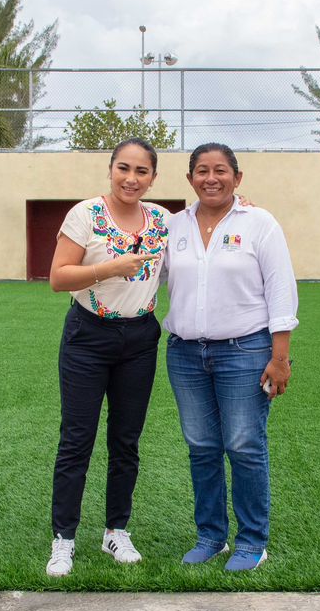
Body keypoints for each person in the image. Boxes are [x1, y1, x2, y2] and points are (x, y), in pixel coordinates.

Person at [162, 143, 298, 572]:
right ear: (190, 179)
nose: (211, 178)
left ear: (237, 178)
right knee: (201, 446)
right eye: (201, 171)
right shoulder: (173, 226)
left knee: (244, 445)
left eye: (221, 170)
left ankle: (252, 541)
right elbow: (149, 273)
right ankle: (211, 536)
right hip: (185, 354)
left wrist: (280, 357)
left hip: (245, 351)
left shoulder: (260, 223)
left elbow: (280, 289)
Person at [44, 138, 171, 578]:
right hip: (88, 335)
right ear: (110, 169)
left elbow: (206, 227)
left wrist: (240, 206)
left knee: (126, 441)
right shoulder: (86, 214)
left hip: (139, 338)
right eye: (123, 168)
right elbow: (58, 278)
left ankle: (116, 530)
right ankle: (64, 539)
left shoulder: (162, 220)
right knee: (77, 438)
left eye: (141, 171)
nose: (131, 179)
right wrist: (110, 268)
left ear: (153, 177)